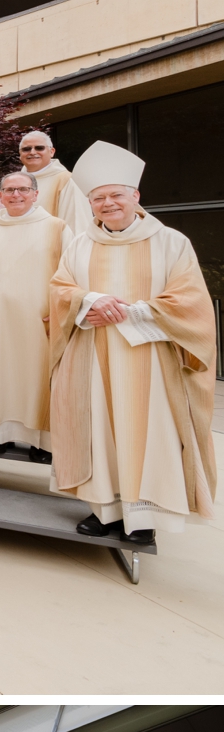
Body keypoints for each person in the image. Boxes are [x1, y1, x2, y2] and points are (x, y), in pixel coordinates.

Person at [49, 140, 217, 544]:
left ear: (135, 196)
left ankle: (143, 519)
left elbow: (191, 301)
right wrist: (90, 301)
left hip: (152, 360)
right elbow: (59, 290)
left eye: (116, 196)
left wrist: (133, 311)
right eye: (99, 198)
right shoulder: (79, 244)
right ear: (89, 203)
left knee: (149, 433)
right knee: (100, 431)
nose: (108, 204)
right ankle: (105, 511)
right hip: (92, 355)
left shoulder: (171, 242)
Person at [0, 172, 69, 464]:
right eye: (9, 190)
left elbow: (72, 273)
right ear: (0, 195)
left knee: (37, 377)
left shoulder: (57, 228)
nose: (16, 195)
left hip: (38, 319)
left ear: (35, 194)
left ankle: (43, 442)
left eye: (23, 190)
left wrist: (60, 311)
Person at [18, 129, 92, 236]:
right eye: (26, 149)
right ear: (20, 154)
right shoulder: (13, 183)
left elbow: (77, 224)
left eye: (39, 148)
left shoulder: (67, 180)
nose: (32, 152)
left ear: (51, 152)